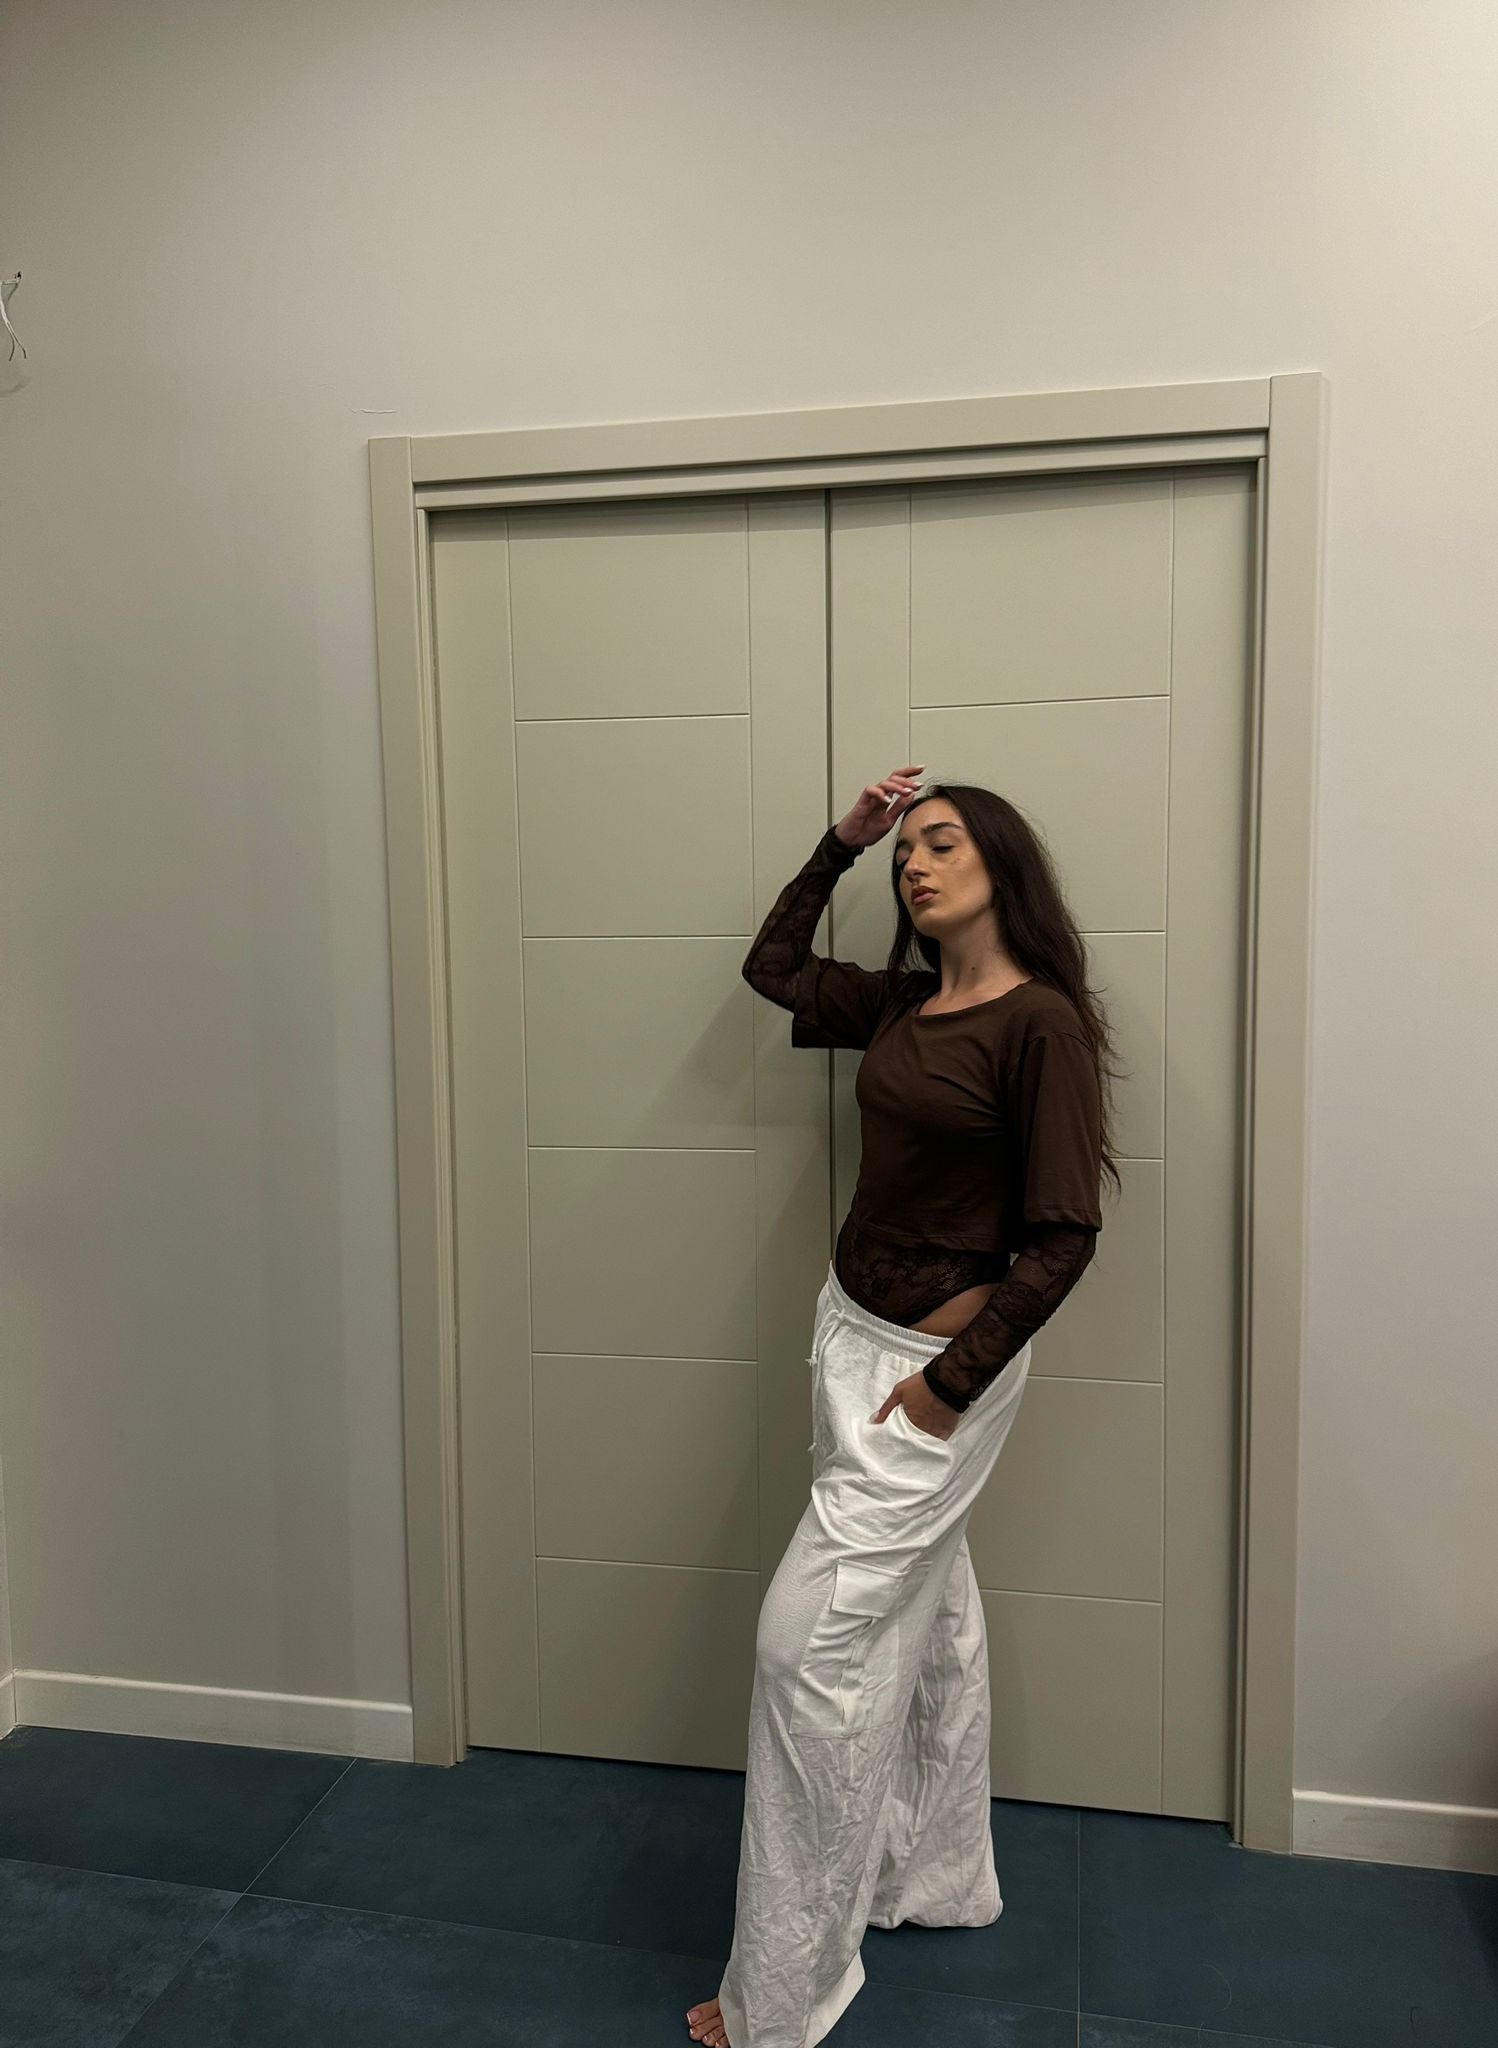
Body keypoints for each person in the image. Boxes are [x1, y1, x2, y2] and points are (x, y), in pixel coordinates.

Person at [687, 765, 1120, 2048]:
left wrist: (945, 1387)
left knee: (806, 1649)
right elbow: (771, 967)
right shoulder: (901, 1003)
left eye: (939, 843)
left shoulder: (1041, 1024)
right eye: (903, 855)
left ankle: (783, 1990)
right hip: (846, 1336)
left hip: (931, 1378)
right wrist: (839, 841)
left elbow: (1063, 1235)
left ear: (1001, 862)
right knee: (930, 1617)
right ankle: (932, 1875)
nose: (914, 864)